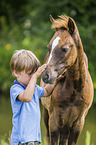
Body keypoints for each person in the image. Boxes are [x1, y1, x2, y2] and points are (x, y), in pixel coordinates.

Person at [10, 49, 55, 145]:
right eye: (30, 74)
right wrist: (34, 77)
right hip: (21, 140)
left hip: (34, 138)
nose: (32, 76)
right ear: (16, 73)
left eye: (34, 73)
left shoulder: (34, 88)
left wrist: (55, 79)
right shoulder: (15, 89)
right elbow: (27, 97)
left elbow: (47, 91)